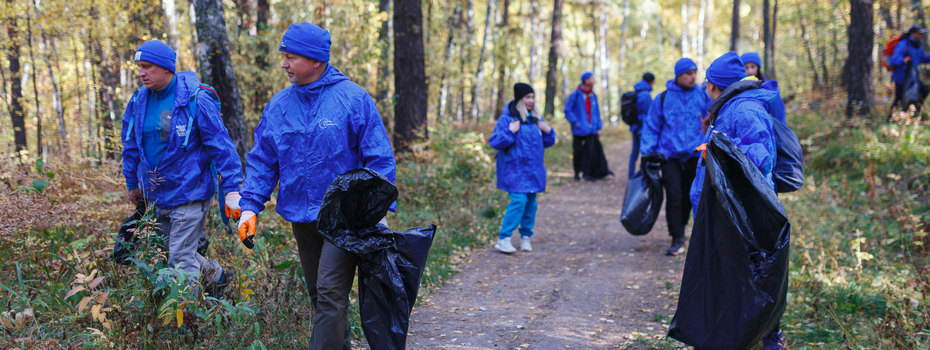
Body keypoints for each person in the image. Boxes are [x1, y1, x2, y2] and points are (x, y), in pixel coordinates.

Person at [236, 23, 396, 349]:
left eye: (291, 57)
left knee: (329, 292)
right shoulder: (280, 105)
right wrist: (250, 206)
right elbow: (263, 159)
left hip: (345, 220)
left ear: (316, 60)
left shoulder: (352, 99)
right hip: (302, 217)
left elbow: (379, 159)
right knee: (319, 295)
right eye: (284, 57)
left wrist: (375, 210)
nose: (284, 64)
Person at [121, 40, 242, 292]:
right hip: (158, 194)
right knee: (167, 252)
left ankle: (186, 321)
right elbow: (131, 143)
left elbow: (222, 146)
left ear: (167, 68)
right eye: (139, 67)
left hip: (191, 191)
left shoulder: (196, 100)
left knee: (180, 258)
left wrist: (232, 188)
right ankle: (218, 278)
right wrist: (132, 183)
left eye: (147, 67)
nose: (141, 73)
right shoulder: (139, 101)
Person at [691, 51, 783, 350]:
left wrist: (718, 151)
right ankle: (736, 334)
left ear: (716, 85)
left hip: (744, 210)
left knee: (754, 272)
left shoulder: (743, 110)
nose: (705, 88)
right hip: (730, 208)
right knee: (736, 272)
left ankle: (769, 338)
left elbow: (761, 157)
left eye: (707, 83)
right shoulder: (730, 107)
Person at [640, 58, 711, 256]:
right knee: (674, 195)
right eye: (688, 73)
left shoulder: (703, 95)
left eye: (694, 73)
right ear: (678, 75)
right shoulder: (662, 98)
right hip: (668, 155)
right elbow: (652, 126)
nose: (692, 77)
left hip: (694, 154)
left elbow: (710, 120)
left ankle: (681, 228)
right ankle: (677, 236)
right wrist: (648, 152)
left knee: (690, 195)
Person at [489, 83, 556, 253]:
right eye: (527, 97)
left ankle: (526, 237)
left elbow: (548, 142)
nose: (531, 101)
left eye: (533, 97)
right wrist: (510, 132)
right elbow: (495, 142)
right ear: (520, 99)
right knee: (518, 202)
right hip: (515, 170)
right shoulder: (507, 119)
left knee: (531, 204)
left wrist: (548, 130)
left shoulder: (535, 120)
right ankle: (504, 238)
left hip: (533, 170)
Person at [564, 72, 604, 181]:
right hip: (579, 130)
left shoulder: (593, 95)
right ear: (586, 81)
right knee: (577, 152)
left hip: (591, 130)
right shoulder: (576, 94)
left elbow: (596, 113)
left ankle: (587, 174)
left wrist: (598, 127)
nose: (594, 80)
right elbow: (567, 110)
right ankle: (577, 173)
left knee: (589, 152)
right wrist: (575, 123)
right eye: (592, 78)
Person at [888, 25, 930, 116]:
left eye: (922, 34)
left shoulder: (918, 46)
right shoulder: (903, 44)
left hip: (913, 78)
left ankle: (913, 114)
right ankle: (891, 118)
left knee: (923, 91)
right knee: (899, 99)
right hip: (901, 78)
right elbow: (894, 60)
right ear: (913, 34)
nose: (921, 36)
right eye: (919, 34)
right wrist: (904, 61)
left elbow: (922, 58)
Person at [741, 52, 787, 123]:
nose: (750, 71)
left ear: (758, 68)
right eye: (746, 68)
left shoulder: (769, 88)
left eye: (752, 67)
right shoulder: (738, 89)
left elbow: (778, 113)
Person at [628, 72, 655, 179]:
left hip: (635, 126)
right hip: (642, 128)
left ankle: (631, 175)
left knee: (634, 153)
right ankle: (642, 175)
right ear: (651, 82)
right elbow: (649, 112)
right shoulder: (645, 94)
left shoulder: (637, 91)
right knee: (644, 152)